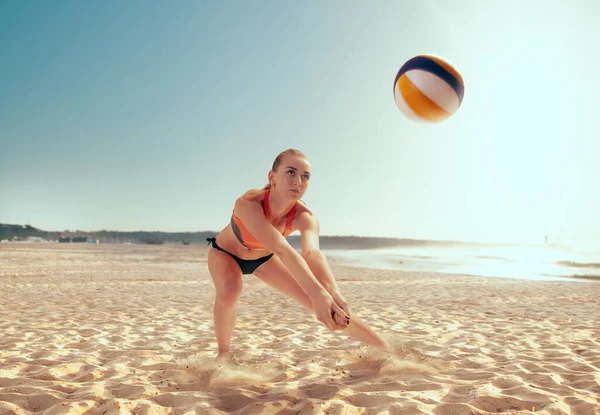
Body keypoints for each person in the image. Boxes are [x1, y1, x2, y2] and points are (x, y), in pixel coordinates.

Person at [206, 148, 387, 358]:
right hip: (226, 253)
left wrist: (332, 293)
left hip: (263, 259)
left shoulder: (305, 216)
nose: (298, 181)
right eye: (291, 172)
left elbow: (311, 254)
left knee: (328, 306)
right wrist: (318, 293)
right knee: (230, 292)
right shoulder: (248, 203)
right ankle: (223, 355)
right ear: (272, 177)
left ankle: (385, 350)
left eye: (305, 176)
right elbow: (282, 249)